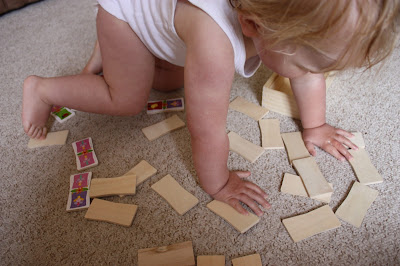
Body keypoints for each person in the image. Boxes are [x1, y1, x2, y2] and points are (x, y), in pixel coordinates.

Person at [22, 0, 399, 216]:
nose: (315, 77)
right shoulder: (215, 46)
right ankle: (41, 89)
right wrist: (216, 182)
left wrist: (314, 126)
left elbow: (305, 75)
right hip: (126, 13)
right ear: (252, 24)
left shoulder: (268, 19)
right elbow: (205, 129)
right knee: (126, 98)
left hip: (169, 16)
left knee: (168, 80)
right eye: (310, 66)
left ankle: (124, 48)